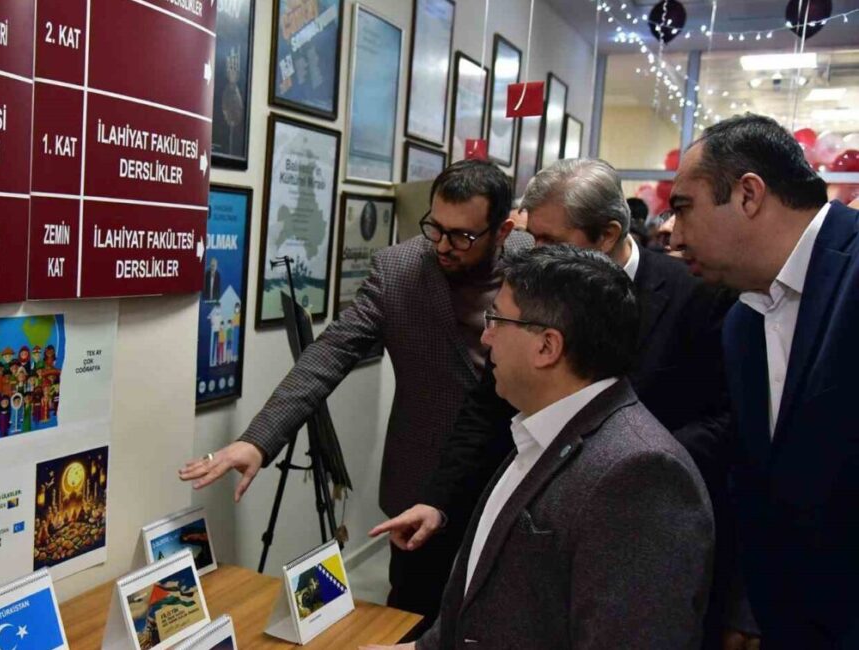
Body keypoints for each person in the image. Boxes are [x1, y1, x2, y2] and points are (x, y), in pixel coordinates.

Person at [372, 158, 736, 648]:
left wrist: (619, 461)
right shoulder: (526, 435)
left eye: (549, 242)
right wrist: (439, 501)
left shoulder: (697, 302)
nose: (529, 252)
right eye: (531, 236)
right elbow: (481, 416)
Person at [179, 159, 518, 622]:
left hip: (510, 477)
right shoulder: (399, 270)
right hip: (421, 480)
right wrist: (258, 440)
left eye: (462, 236)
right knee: (412, 617)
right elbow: (328, 355)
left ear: (501, 231)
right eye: (434, 228)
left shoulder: (536, 263)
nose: (442, 245)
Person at [669, 113, 859, 647]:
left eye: (684, 208)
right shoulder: (742, 322)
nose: (675, 234)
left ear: (748, 194)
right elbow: (763, 483)